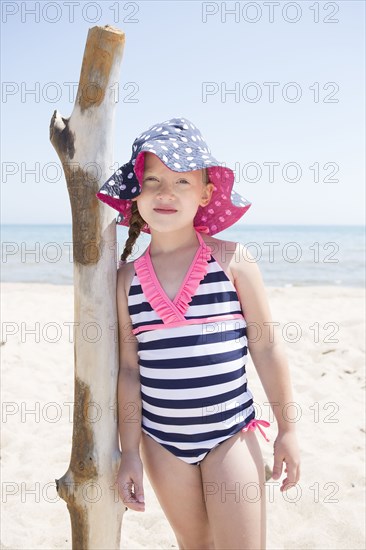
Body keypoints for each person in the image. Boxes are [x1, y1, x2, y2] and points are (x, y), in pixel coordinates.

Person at [96, 117, 301, 549]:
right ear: (136, 193)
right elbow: (130, 371)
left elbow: (266, 348)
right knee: (196, 545)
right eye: (152, 181)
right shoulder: (124, 280)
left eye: (181, 182)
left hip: (231, 433)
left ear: (205, 193)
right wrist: (129, 451)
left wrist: (288, 430)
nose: (165, 193)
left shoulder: (232, 261)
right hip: (162, 442)